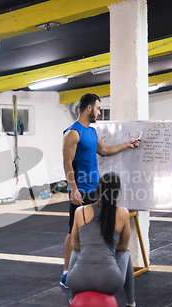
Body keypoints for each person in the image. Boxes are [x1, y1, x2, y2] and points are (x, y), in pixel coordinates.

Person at [61, 93, 140, 288]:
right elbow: (67, 162)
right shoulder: (73, 133)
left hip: (96, 191)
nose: (98, 112)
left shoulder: (92, 132)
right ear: (88, 108)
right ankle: (66, 272)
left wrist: (127, 145)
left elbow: (104, 151)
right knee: (74, 232)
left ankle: (90, 268)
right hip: (81, 191)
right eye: (97, 108)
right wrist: (73, 190)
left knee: (96, 228)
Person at [68, 172, 142, 307]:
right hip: (109, 282)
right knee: (125, 252)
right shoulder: (122, 212)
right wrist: (105, 247)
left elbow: (75, 246)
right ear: (117, 192)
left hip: (77, 281)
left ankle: (72, 298)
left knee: (76, 252)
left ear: (98, 189)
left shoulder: (80, 211)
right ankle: (131, 305)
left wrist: (92, 246)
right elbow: (122, 246)